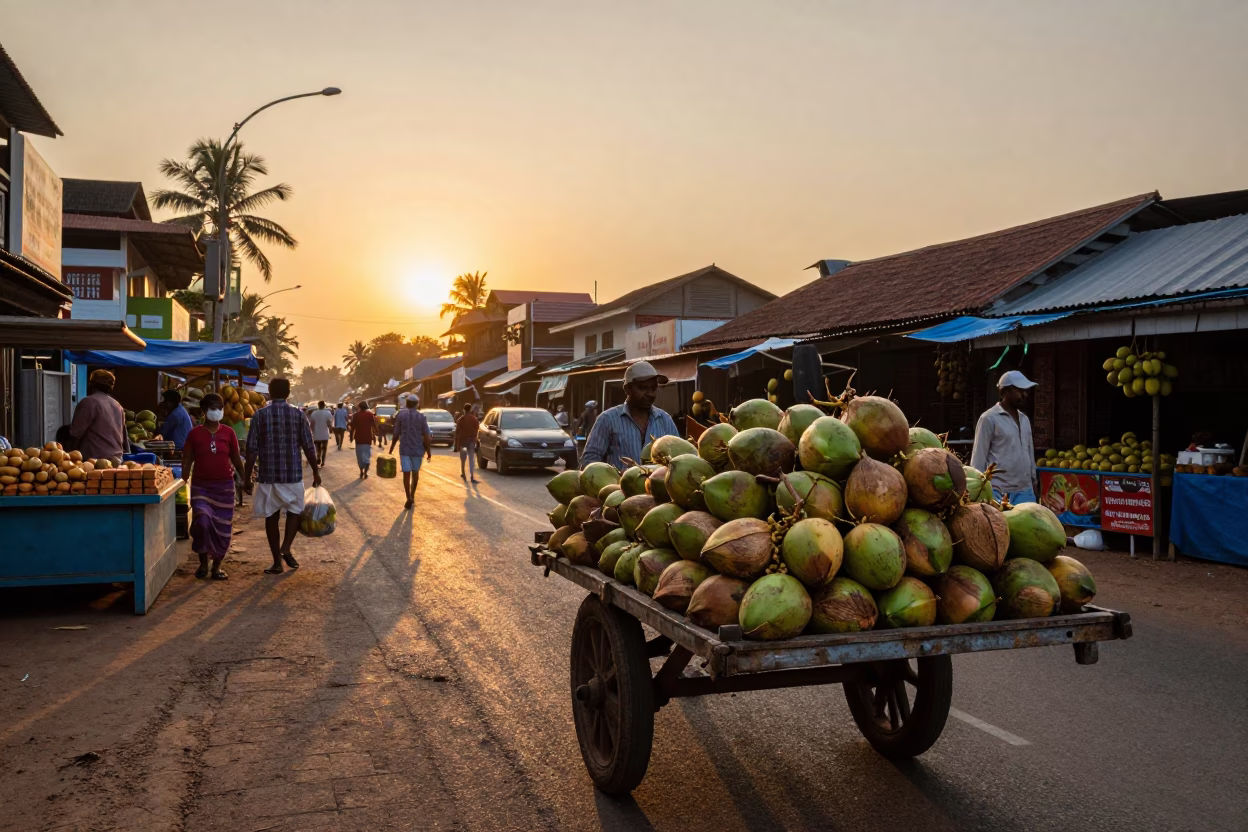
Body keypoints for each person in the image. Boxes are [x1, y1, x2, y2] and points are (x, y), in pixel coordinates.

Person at [243, 377, 320, 575]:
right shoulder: (298, 414)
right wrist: (316, 471)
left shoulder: (259, 415)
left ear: (269, 391)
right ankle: (286, 546)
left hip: (268, 475)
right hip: (292, 474)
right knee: (295, 512)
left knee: (271, 516)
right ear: (288, 392)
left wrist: (247, 477)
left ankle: (277, 561)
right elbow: (309, 446)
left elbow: (251, 449)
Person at [182, 393, 245, 580]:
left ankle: (216, 566)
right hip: (201, 487)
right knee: (202, 522)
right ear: (203, 411)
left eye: (219, 408)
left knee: (223, 528)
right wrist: (182, 481)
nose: (216, 411)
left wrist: (245, 478)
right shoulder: (194, 434)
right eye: (212, 408)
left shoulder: (229, 432)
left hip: (224, 488)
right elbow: (186, 460)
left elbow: (236, 458)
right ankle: (203, 563)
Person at [581, 362, 680, 470]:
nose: (650, 394)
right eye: (643, 388)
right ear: (627, 389)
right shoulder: (607, 419)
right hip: (619, 486)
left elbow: (679, 457)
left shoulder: (665, 420)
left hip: (656, 486)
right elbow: (589, 460)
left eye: (653, 388)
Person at [971, 370, 1039, 505]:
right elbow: (978, 458)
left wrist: (1034, 481)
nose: (1025, 395)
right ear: (1003, 392)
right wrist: (977, 489)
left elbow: (1029, 452)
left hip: (1025, 490)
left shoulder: (1024, 419)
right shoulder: (988, 419)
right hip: (998, 491)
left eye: (1026, 391)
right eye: (1019, 391)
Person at [68, 369, 128, 465]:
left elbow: (75, 434)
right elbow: (124, 438)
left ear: (91, 384)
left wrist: (68, 456)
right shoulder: (118, 406)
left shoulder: (88, 402)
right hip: (117, 460)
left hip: (94, 462)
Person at [389, 397, 433, 509]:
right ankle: (412, 495)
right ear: (417, 404)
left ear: (407, 404)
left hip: (405, 449)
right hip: (418, 449)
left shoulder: (401, 415)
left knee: (406, 473)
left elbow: (396, 434)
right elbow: (426, 436)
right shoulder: (421, 416)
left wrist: (391, 449)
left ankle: (408, 497)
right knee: (415, 473)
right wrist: (428, 451)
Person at [454, 402, 481, 482]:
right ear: (470, 409)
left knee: (463, 458)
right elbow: (477, 431)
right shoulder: (474, 419)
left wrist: (456, 445)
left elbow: (457, 432)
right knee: (471, 459)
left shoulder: (460, 420)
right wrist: (475, 440)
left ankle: (463, 473)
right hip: (471, 442)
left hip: (462, 442)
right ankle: (472, 476)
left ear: (463, 410)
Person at [351, 401, 377, 478]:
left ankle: (361, 471)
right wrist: (375, 436)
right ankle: (365, 472)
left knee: (359, 456)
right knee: (367, 456)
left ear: (359, 407)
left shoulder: (356, 415)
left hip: (358, 439)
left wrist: (351, 437)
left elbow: (353, 427)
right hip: (367, 438)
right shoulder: (370, 414)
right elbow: (374, 426)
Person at [309, 401, 334, 466]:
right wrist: (331, 428)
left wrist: (312, 431)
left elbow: (312, 424)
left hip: (316, 434)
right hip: (325, 434)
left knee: (318, 447)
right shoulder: (327, 413)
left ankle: (318, 457)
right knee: (324, 448)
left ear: (318, 405)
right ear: (324, 405)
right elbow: (329, 423)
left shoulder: (314, 413)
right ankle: (323, 461)